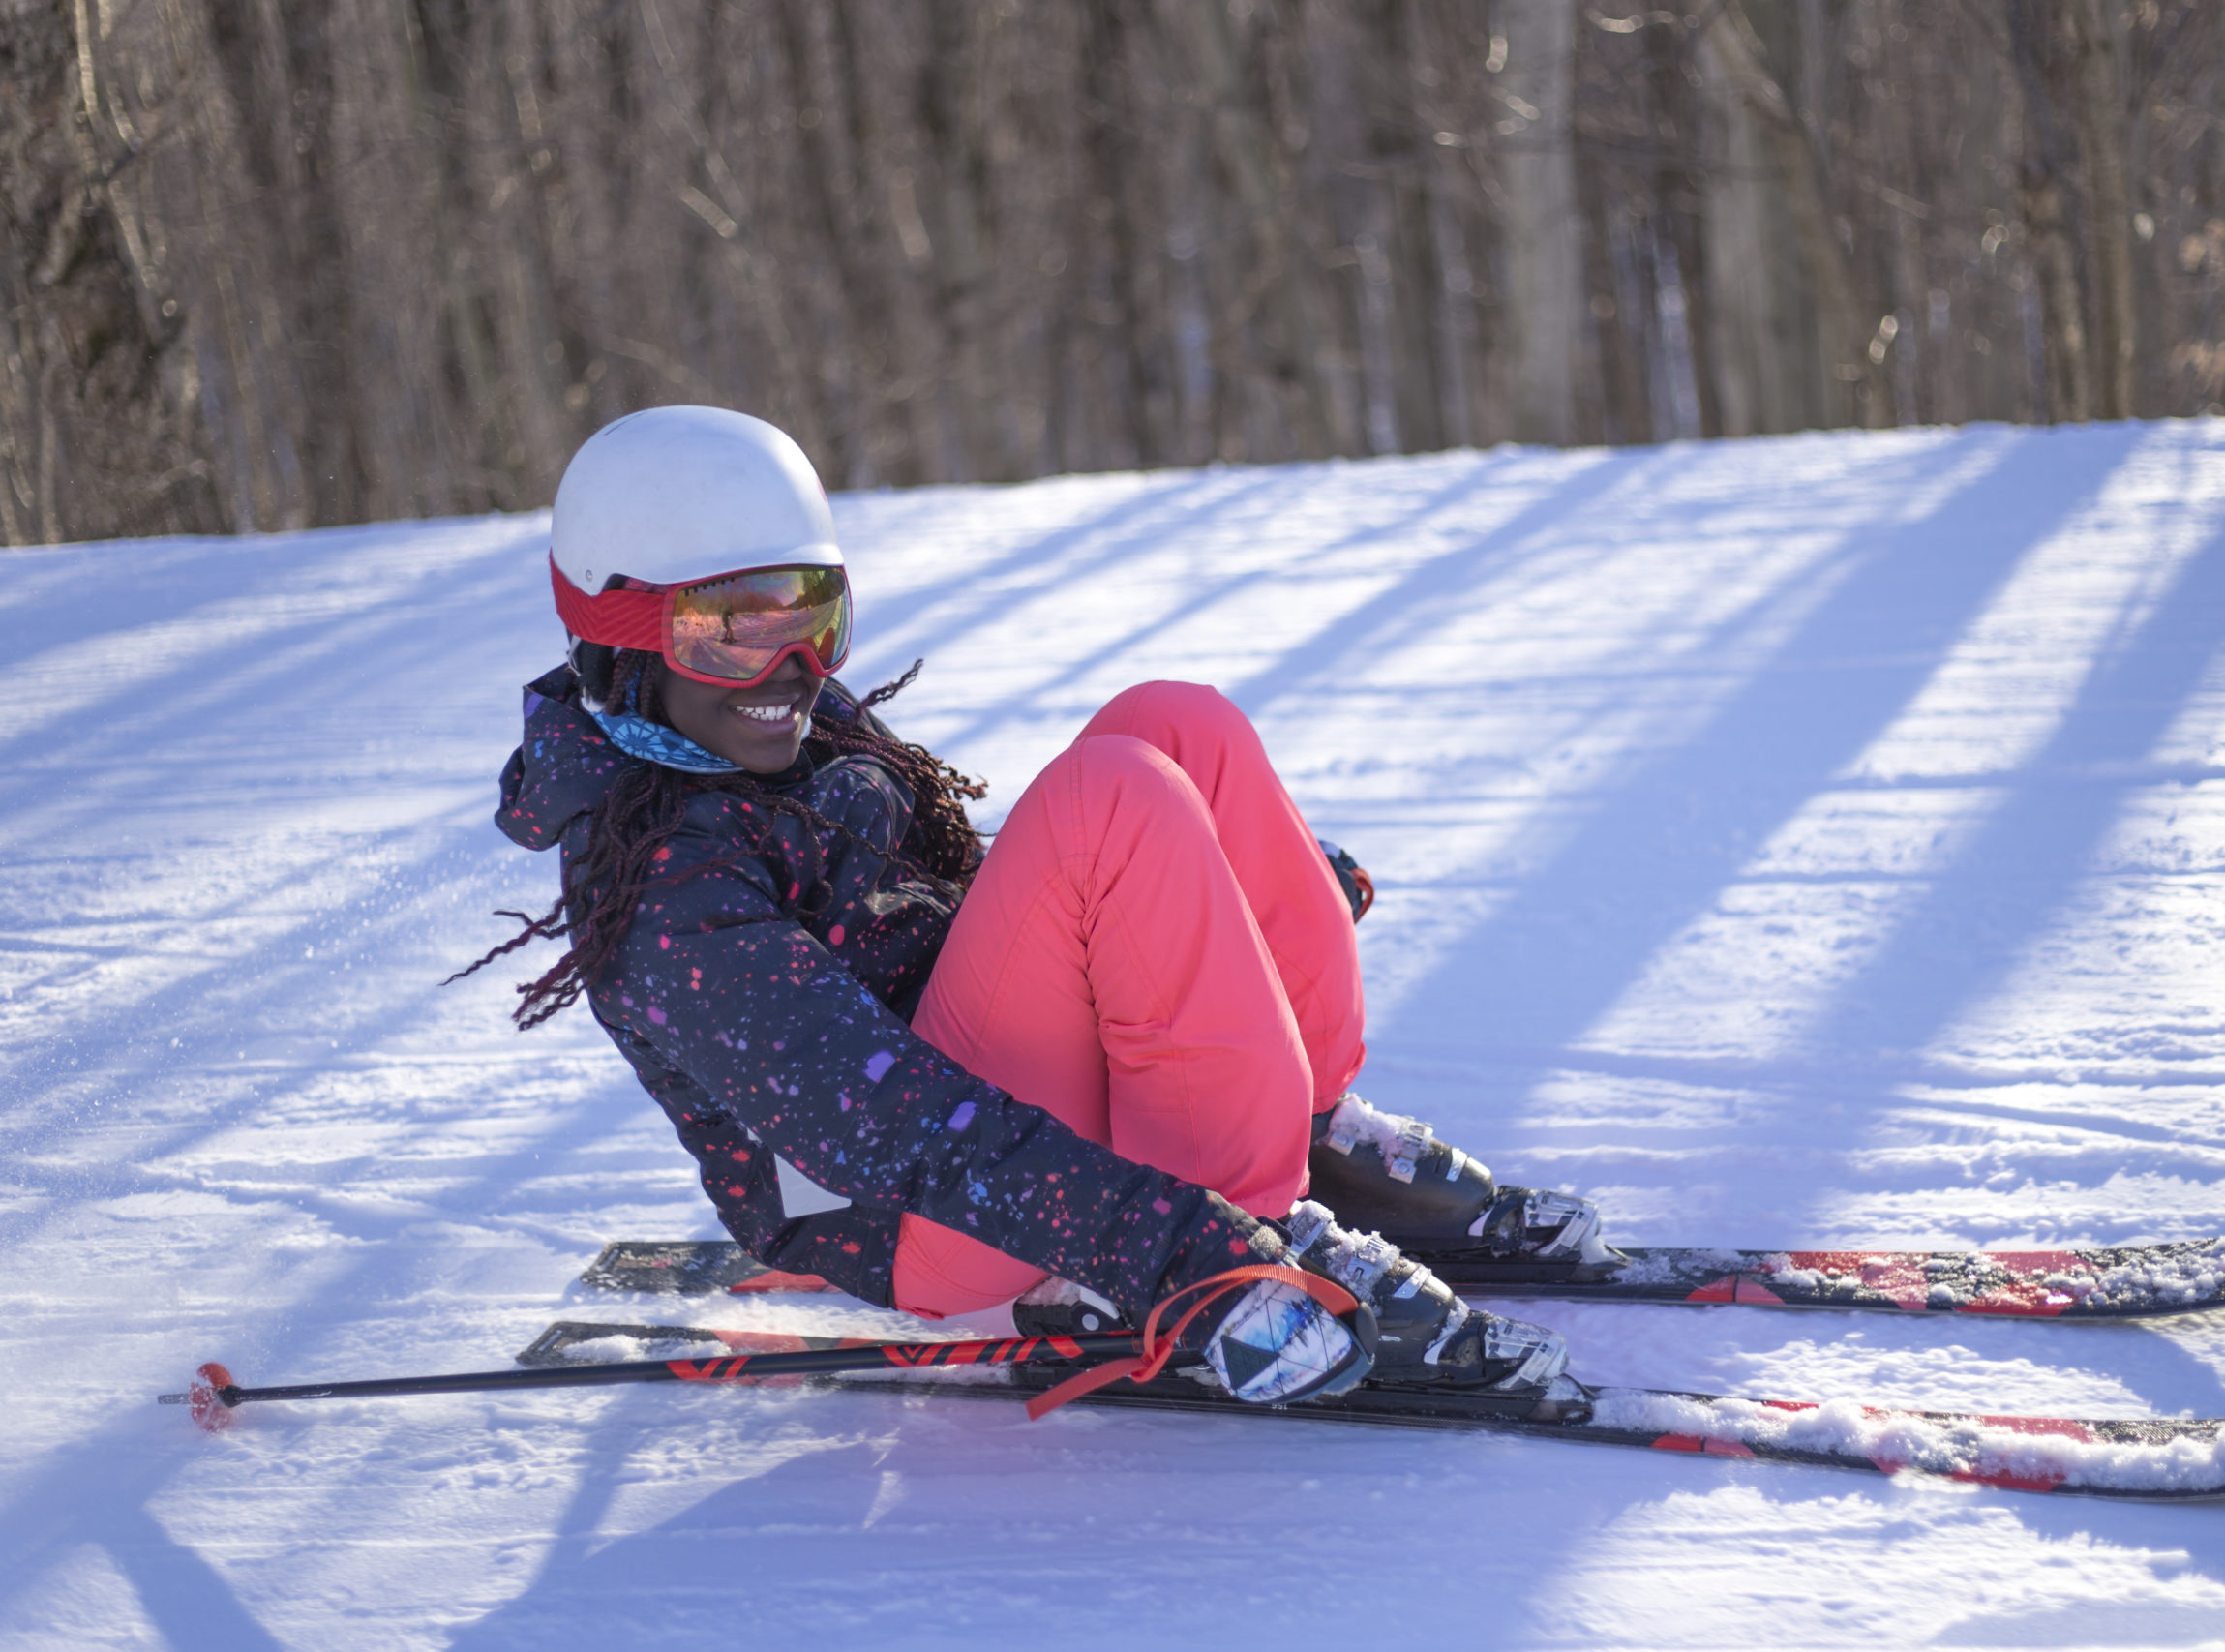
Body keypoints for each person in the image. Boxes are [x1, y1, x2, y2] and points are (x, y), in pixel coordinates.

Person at [471, 405, 1602, 1407]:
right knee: (1110, 798)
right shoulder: (662, 887)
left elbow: (963, 905)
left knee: (1173, 728)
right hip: (916, 1210)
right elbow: (876, 1122)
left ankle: (1297, 1129)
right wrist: (1175, 1250)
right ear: (621, 638)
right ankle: (1252, 1242)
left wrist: (1210, 883)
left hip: (997, 1123)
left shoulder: (781, 730)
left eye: (814, 613)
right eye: (732, 627)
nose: (795, 665)